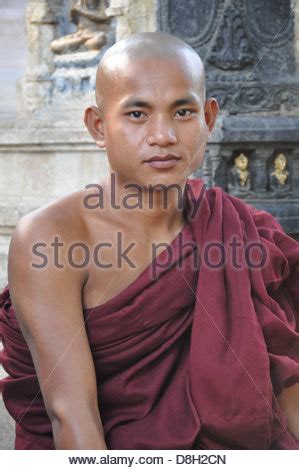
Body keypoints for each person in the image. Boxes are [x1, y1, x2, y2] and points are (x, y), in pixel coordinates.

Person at [1, 32, 299, 450]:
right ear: (98, 126)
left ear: (208, 120)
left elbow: (286, 392)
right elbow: (71, 415)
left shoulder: (244, 230)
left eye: (182, 112)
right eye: (137, 114)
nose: (163, 135)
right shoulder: (52, 238)